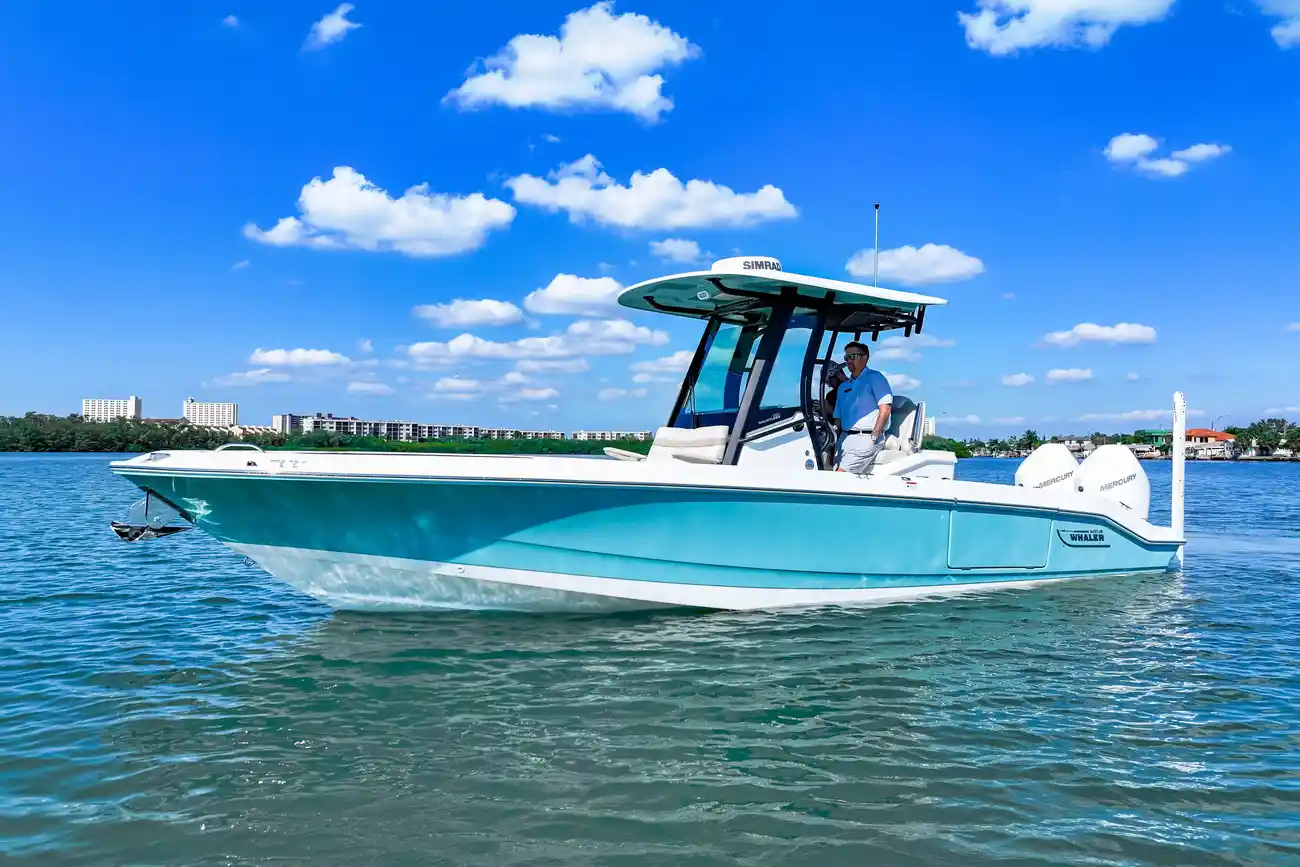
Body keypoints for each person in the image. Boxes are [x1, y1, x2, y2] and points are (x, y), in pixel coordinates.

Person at [830, 341, 893, 474]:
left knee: (839, 476)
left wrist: (874, 436)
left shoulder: (875, 378)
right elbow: (838, 418)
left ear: (865, 357)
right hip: (844, 438)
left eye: (853, 356)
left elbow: (885, 410)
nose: (848, 361)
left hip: (866, 438)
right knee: (829, 473)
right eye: (846, 357)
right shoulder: (843, 387)